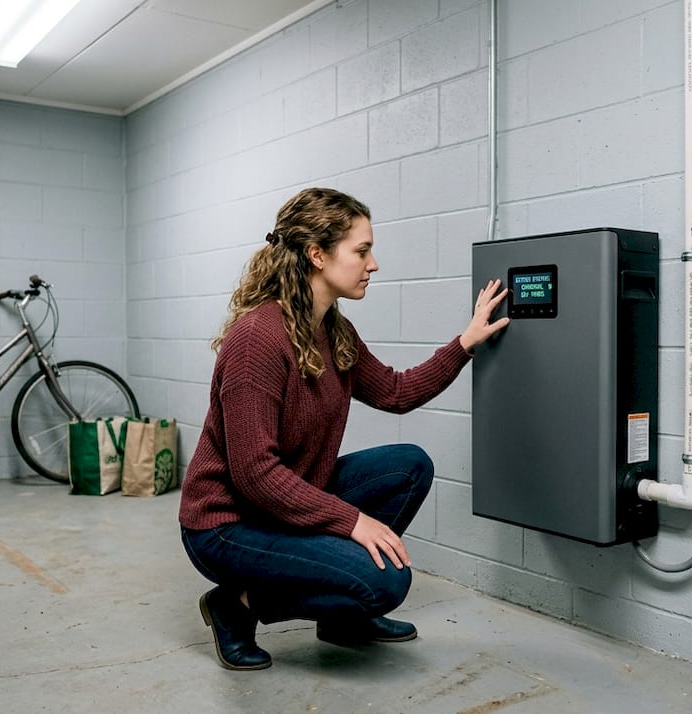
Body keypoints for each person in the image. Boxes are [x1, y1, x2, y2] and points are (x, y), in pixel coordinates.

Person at [179, 187, 509, 670]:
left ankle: (342, 619)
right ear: (317, 255)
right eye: (361, 251)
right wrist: (351, 521)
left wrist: (465, 343)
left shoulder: (334, 330)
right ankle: (235, 606)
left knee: (409, 466)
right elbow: (255, 474)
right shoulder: (257, 339)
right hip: (228, 524)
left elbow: (396, 393)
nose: (372, 264)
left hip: (282, 502)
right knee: (385, 583)